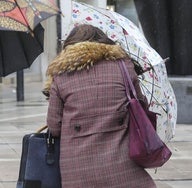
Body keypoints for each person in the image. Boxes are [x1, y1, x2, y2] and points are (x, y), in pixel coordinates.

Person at [44, 24, 156, 188]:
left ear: (69, 46)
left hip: (78, 168)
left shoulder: (60, 75)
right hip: (122, 165)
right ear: (105, 42)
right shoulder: (123, 67)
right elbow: (141, 105)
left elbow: (54, 127)